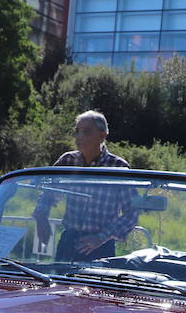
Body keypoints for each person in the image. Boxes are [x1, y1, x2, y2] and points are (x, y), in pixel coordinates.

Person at [32, 110, 134, 260]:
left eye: (86, 132)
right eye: (77, 132)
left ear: (102, 135)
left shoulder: (118, 167)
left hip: (101, 247)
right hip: (69, 240)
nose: (79, 137)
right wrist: (42, 217)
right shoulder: (67, 161)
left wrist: (102, 237)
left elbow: (131, 213)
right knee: (58, 282)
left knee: (96, 284)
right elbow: (49, 193)